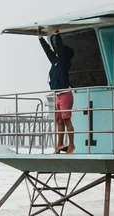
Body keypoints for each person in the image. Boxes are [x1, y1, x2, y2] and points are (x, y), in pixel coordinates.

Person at [37, 26, 75, 154]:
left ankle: (71, 145)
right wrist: (40, 38)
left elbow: (59, 48)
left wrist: (57, 34)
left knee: (66, 120)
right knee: (59, 120)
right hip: (57, 95)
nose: (56, 52)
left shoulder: (64, 63)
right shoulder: (55, 61)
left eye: (59, 51)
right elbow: (48, 51)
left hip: (65, 94)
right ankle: (59, 145)